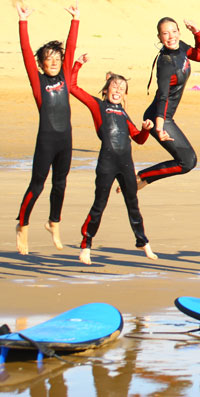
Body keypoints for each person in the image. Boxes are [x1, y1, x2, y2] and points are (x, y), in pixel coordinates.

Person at [70, 54, 158, 265]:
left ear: (125, 94)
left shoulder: (124, 114)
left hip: (126, 164)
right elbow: (72, 87)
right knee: (99, 204)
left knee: (133, 204)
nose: (117, 90)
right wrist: (78, 64)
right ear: (105, 90)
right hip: (107, 164)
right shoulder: (98, 106)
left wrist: (146, 130)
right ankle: (86, 245)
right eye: (114, 87)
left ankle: (142, 242)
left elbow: (138, 139)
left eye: (122, 88)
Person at [15, 2, 79, 255]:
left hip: (66, 139)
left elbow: (71, 46)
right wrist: (23, 22)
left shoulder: (64, 76)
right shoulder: (38, 81)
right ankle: (23, 225)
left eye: (57, 59)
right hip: (46, 140)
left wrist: (75, 20)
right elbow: (24, 50)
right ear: (41, 64)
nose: (53, 62)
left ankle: (54, 222)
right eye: (48, 60)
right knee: (37, 185)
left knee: (61, 184)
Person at [137, 17, 200, 188]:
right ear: (159, 37)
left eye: (174, 31)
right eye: (165, 34)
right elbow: (163, 96)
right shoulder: (166, 63)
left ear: (179, 32)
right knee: (187, 161)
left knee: (187, 161)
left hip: (165, 117)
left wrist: (196, 33)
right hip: (159, 117)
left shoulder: (180, 46)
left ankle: (142, 178)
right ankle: (140, 177)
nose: (171, 36)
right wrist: (159, 127)